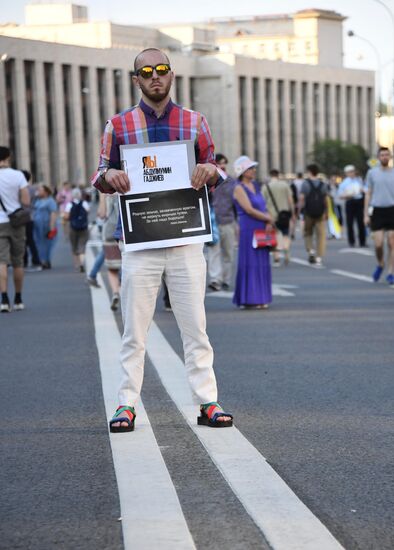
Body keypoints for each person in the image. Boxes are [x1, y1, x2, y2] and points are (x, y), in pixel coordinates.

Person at [91, 47, 233, 432]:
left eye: (162, 70)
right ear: (136, 78)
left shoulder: (194, 122)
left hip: (186, 239)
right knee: (134, 330)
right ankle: (126, 404)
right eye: (147, 71)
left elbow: (216, 170)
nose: (155, 76)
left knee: (195, 326)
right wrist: (111, 178)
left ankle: (207, 402)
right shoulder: (118, 125)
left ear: (172, 75)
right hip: (140, 243)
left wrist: (209, 169)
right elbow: (100, 174)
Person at [232, 155, 273, 309]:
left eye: (253, 168)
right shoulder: (238, 187)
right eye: (250, 168)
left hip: (261, 226)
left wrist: (268, 220)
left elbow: (263, 205)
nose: (254, 170)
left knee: (261, 261)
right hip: (248, 227)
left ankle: (261, 297)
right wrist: (268, 218)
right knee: (250, 262)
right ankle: (250, 298)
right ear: (242, 171)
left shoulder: (255, 185)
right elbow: (248, 209)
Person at [0, 146, 30, 312]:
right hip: (17, 223)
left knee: (1, 261)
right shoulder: (18, 175)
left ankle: (4, 299)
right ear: (8, 157)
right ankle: (18, 298)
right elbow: (26, 201)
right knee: (18, 261)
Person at [364, 146, 394, 286]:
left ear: (390, 157)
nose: (385, 157)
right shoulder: (372, 173)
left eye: (387, 155)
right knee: (378, 244)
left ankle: (390, 272)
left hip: (392, 209)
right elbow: (368, 193)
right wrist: (366, 214)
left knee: (391, 243)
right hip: (377, 210)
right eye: (382, 155)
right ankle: (380, 263)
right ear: (378, 157)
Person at [210, 153, 237, 290]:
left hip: (228, 221)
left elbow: (236, 202)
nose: (223, 165)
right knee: (214, 252)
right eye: (220, 163)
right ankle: (215, 279)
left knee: (228, 252)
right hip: (213, 222)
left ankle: (226, 278)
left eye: (225, 163)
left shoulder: (231, 181)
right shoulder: (208, 181)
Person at [299, 163, 330, 267]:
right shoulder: (323, 184)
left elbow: (302, 198)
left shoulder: (305, 184)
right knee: (321, 235)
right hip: (320, 212)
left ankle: (311, 250)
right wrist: (327, 212)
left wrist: (300, 210)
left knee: (307, 232)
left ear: (309, 172)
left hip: (308, 212)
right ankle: (319, 257)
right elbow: (326, 200)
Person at [262, 169, 294, 266]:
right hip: (284, 213)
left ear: (270, 175)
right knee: (285, 233)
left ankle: (276, 257)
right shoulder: (285, 185)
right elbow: (290, 200)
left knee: (275, 235)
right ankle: (286, 248)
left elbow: (262, 202)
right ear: (278, 175)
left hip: (272, 214)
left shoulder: (266, 187)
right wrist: (292, 212)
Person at [100, 192, 122, 310]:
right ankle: (124, 293)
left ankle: (115, 292)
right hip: (125, 234)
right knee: (127, 267)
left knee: (112, 268)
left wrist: (101, 197)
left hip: (109, 233)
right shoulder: (126, 187)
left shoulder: (105, 192)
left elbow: (102, 214)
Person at [338, 165, 366, 247]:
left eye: (352, 171)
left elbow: (365, 189)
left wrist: (362, 190)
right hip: (350, 202)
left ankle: (362, 241)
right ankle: (351, 241)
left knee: (361, 222)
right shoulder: (344, 182)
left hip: (359, 201)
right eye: (349, 172)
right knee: (349, 222)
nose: (351, 173)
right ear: (346, 173)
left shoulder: (359, 180)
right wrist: (347, 195)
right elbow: (340, 195)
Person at [64, 187, 90, 272]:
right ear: (80, 195)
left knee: (74, 246)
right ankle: (82, 263)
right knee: (82, 246)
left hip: (73, 227)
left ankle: (77, 264)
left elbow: (66, 217)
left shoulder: (69, 205)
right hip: (83, 227)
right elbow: (87, 212)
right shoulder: (84, 203)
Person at [32, 184, 58, 269]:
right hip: (37, 226)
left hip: (46, 225)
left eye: (40, 190)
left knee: (47, 244)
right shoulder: (38, 200)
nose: (38, 192)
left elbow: (53, 214)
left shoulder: (50, 201)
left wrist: (51, 227)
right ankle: (43, 260)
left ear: (46, 192)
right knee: (39, 243)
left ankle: (46, 260)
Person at [22, 170, 41, 272]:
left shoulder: (21, 189)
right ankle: (36, 260)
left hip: (21, 216)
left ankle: (24, 260)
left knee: (22, 240)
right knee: (30, 239)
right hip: (31, 216)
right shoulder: (33, 189)